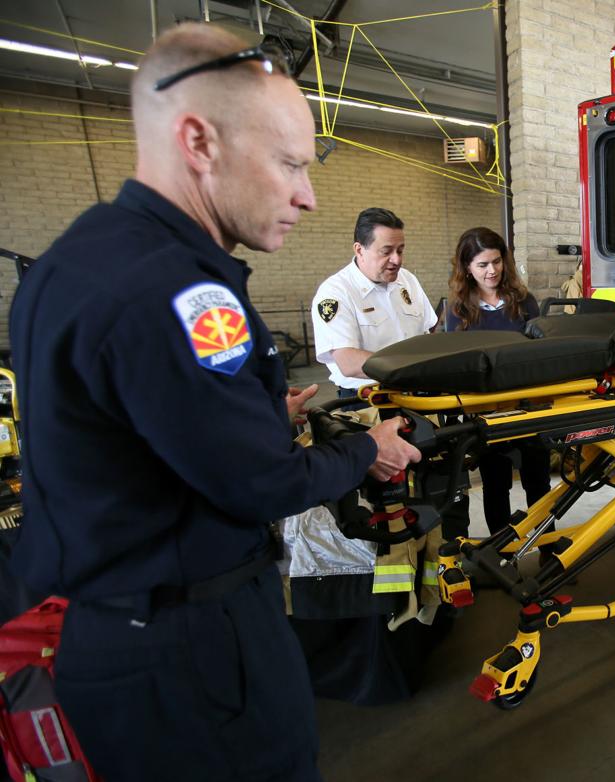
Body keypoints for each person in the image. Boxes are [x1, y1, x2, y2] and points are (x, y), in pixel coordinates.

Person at [7, 23, 421, 782]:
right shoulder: (181, 288)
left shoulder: (83, 256)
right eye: (289, 163)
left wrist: (269, 414)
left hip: (119, 637)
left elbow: (129, 431)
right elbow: (263, 484)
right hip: (195, 649)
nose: (307, 193)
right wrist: (369, 448)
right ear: (198, 140)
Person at [446, 227, 552, 535]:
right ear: (466, 268)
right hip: (486, 412)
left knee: (539, 484)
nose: (491, 270)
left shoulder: (524, 301)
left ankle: (547, 547)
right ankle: (501, 556)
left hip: (528, 407)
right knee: (496, 486)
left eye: (496, 261)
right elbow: (456, 363)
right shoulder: (458, 311)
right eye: (482, 265)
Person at [311, 208, 437, 397]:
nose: (397, 259)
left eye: (400, 250)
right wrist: (412, 367)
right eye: (386, 251)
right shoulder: (335, 293)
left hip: (418, 392)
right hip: (368, 399)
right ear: (360, 250)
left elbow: (428, 332)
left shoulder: (408, 280)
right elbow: (348, 362)